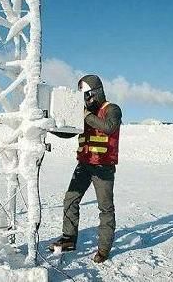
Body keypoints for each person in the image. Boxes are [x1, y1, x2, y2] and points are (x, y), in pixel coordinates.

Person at [49, 74, 122, 263]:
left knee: (105, 208)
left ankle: (104, 250)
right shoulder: (84, 112)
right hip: (84, 164)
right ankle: (69, 240)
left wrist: (86, 115)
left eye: (88, 95)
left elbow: (109, 127)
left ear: (97, 92)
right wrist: (50, 126)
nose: (86, 99)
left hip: (103, 168)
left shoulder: (112, 109)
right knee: (70, 199)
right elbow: (69, 133)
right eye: (83, 96)